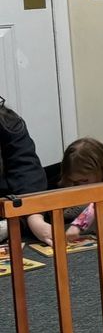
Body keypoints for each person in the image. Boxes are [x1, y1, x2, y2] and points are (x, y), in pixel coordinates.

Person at [0, 97, 56, 245]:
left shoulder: (8, 122)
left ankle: (21, 222)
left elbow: (26, 169)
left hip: (8, 207)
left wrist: (35, 218)